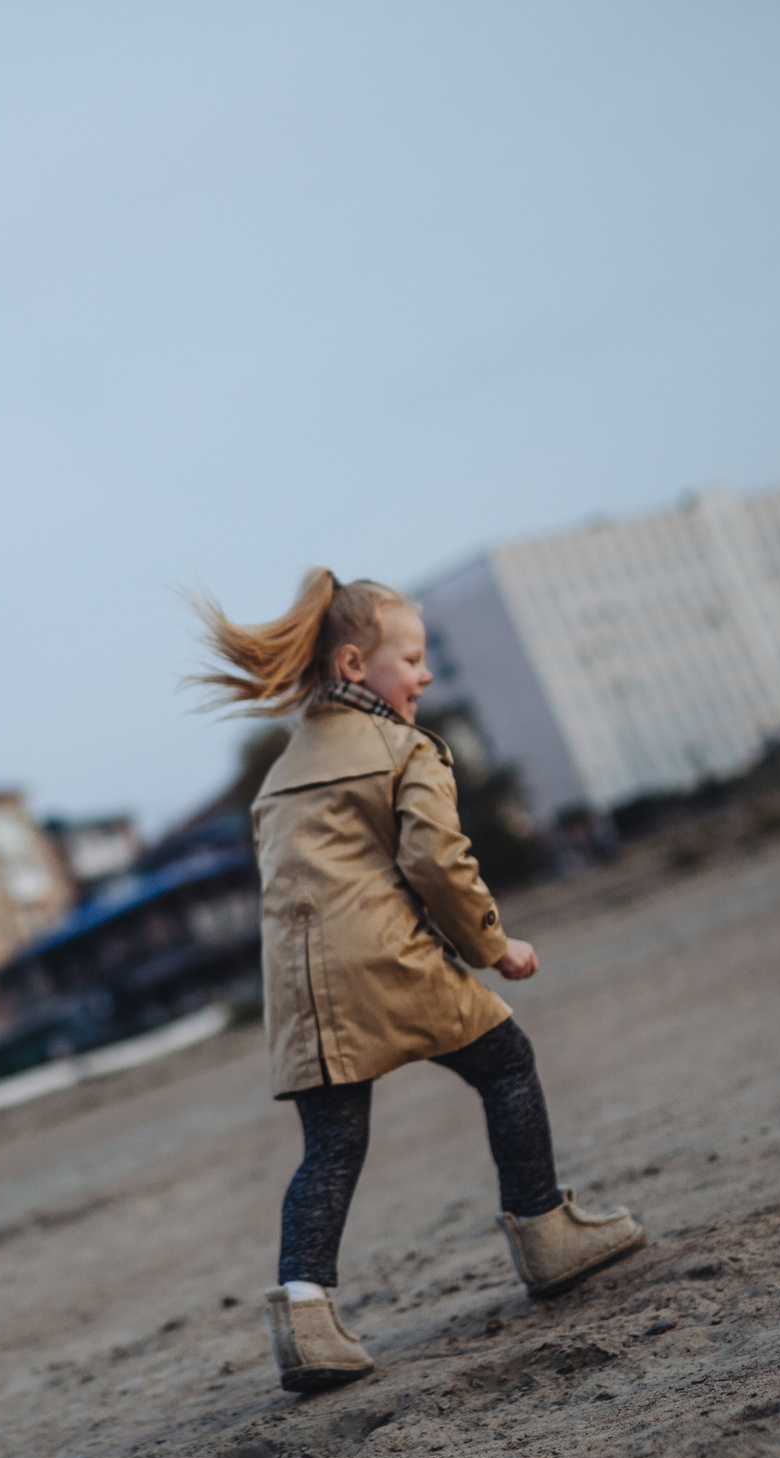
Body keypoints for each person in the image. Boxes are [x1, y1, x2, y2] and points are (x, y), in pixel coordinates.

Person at [193, 570, 648, 1393]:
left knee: (332, 1144)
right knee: (506, 1061)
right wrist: (492, 946)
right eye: (412, 658)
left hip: (299, 988)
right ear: (355, 665)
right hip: (391, 961)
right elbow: (436, 861)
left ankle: (305, 1318)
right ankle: (545, 1229)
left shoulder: (279, 776)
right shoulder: (405, 749)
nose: (426, 674)